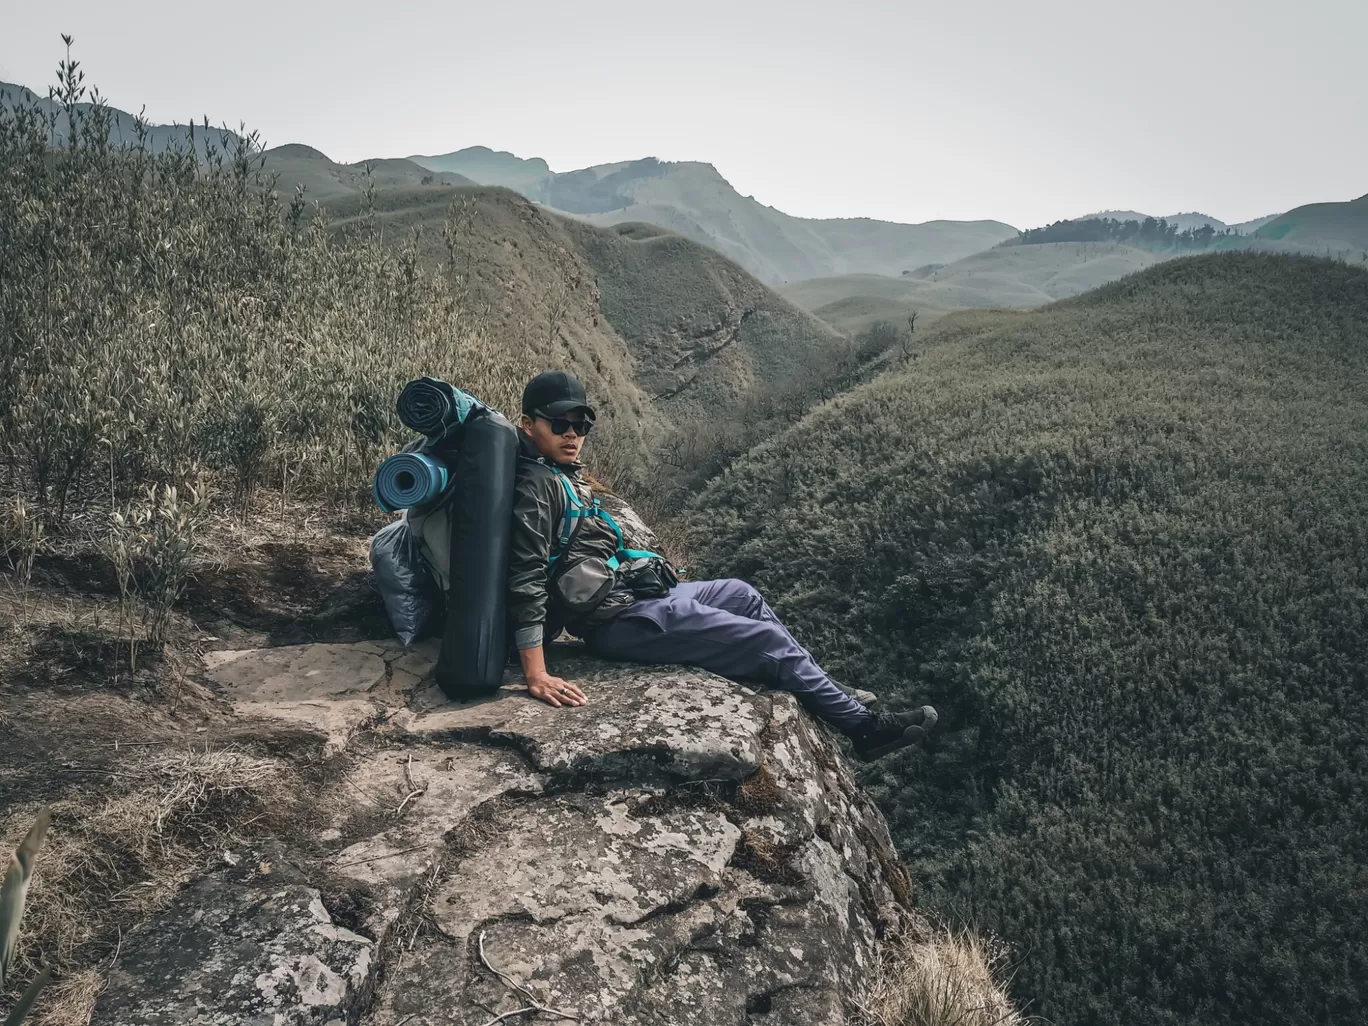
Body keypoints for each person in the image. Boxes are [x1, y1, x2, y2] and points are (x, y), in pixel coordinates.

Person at [508, 370, 936, 761]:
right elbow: (525, 577)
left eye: (581, 424)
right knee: (766, 641)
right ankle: (864, 729)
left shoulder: (560, 473)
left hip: (630, 595)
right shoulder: (536, 488)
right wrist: (537, 672)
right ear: (529, 425)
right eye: (559, 423)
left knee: (740, 592)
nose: (573, 434)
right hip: (617, 621)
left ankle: (826, 688)